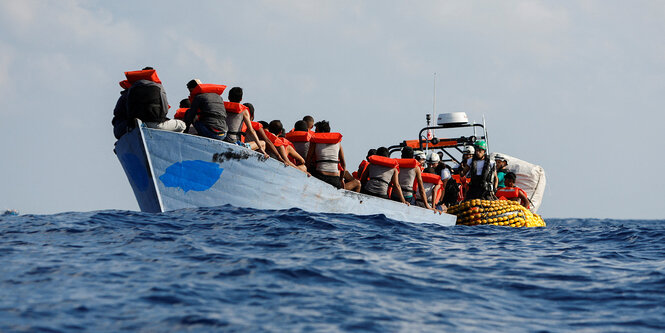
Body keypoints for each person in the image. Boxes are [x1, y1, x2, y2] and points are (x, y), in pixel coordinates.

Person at [125, 67, 186, 133]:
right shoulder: (158, 87)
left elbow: (128, 108)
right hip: (154, 124)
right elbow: (165, 109)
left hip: (135, 124)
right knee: (182, 125)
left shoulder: (131, 89)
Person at [223, 87, 268, 156]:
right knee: (263, 143)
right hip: (234, 142)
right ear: (241, 99)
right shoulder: (244, 111)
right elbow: (251, 130)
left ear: (228, 97)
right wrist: (261, 149)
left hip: (222, 138)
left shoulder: (222, 107)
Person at [305, 120, 347, 188]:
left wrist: (305, 172)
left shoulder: (315, 141)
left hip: (321, 176)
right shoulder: (338, 143)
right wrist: (341, 179)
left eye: (316, 131)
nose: (315, 133)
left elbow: (308, 159)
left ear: (321, 132)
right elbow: (344, 165)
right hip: (335, 179)